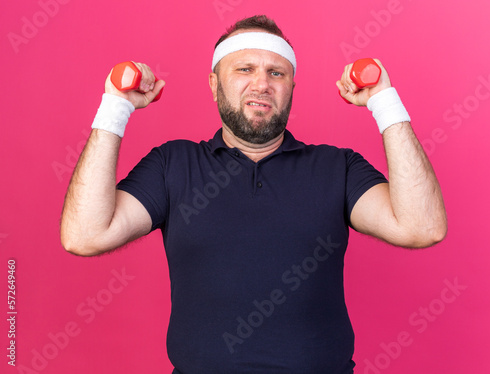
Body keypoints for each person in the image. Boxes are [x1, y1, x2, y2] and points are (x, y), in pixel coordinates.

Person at [61, 15, 447, 374]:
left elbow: (421, 227)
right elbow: (85, 235)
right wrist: (116, 107)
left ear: (291, 89)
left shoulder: (337, 167)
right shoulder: (173, 164)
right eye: (244, 69)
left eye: (276, 73)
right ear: (214, 84)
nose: (261, 83)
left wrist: (384, 101)